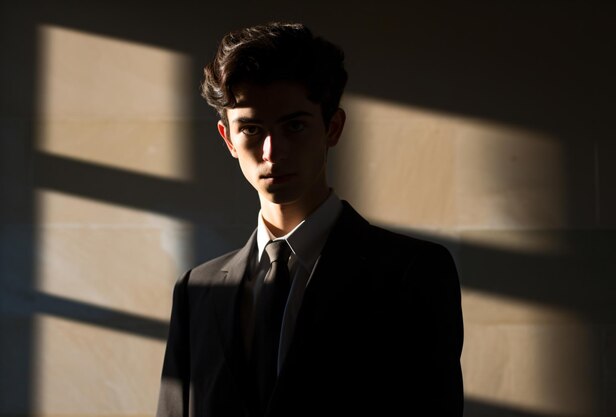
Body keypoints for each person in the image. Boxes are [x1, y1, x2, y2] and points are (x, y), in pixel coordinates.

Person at [157, 22, 463, 417]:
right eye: (251, 129)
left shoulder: (412, 273)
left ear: (332, 128)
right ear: (228, 140)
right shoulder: (195, 289)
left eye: (294, 126)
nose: (272, 151)